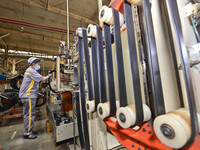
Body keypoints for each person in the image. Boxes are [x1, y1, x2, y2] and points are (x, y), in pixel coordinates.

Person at [19, 57, 52, 139]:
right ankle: (27, 133)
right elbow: (43, 79)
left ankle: (29, 130)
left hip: (28, 95)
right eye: (38, 63)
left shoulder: (30, 71)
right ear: (33, 64)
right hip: (28, 95)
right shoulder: (31, 71)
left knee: (29, 114)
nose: (39, 65)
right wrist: (50, 75)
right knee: (30, 114)